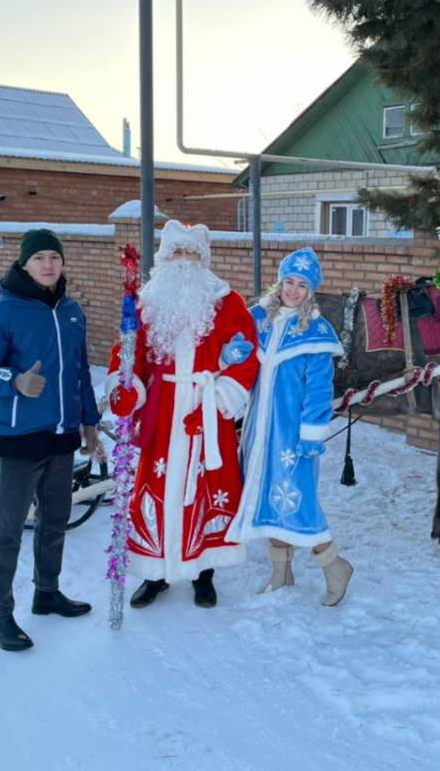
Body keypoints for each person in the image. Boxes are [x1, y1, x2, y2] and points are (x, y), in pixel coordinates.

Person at [107, 220, 260, 609]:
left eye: (193, 253)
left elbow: (246, 359)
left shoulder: (229, 303)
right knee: (156, 489)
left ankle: (203, 572)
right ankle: (154, 574)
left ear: (205, 259)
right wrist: (124, 387)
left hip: (206, 412)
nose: (185, 261)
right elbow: (130, 356)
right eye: (178, 252)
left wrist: (221, 399)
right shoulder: (146, 302)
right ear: (164, 257)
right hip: (161, 412)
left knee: (207, 488)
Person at [0, 228, 103, 651]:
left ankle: (46, 593)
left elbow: (80, 373)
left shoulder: (72, 311)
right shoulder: (1, 312)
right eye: (39, 257)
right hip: (20, 438)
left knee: (55, 522)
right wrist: (14, 380)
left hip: (61, 436)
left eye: (54, 258)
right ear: (24, 264)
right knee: (8, 530)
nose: (48, 264)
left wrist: (89, 423)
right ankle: (0, 617)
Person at [228, 248, 354, 606]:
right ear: (280, 281)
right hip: (258, 430)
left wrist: (311, 434)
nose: (293, 290)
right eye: (289, 281)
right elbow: (237, 355)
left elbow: (318, 390)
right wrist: (230, 355)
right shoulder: (258, 319)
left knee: (298, 500)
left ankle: (334, 566)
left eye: (302, 284)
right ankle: (281, 572)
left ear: (311, 290)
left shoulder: (316, 330)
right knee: (271, 499)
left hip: (291, 435)